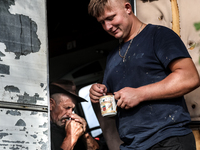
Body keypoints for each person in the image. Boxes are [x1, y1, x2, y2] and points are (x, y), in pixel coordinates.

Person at [88, 0, 200, 150]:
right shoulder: (112, 57)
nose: (108, 27)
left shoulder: (159, 35)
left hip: (168, 139)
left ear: (127, 8)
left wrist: (139, 94)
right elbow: (117, 102)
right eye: (102, 22)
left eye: (111, 18)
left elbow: (189, 77)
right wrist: (100, 94)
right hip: (132, 145)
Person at [49, 79, 100, 150]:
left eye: (72, 109)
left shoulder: (69, 127)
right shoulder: (42, 132)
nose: (70, 114)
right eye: (67, 107)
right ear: (51, 104)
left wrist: (84, 134)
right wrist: (71, 136)